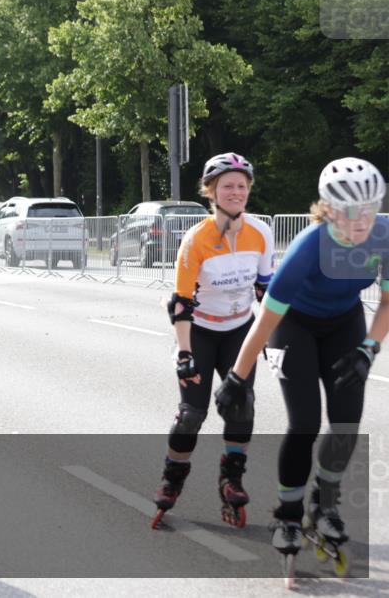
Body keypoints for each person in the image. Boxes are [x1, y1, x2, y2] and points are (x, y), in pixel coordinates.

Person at [221, 158, 387, 574]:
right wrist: (237, 377)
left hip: (345, 323)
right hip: (294, 325)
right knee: (305, 423)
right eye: (352, 212)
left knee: (347, 420)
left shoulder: (383, 236)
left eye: (372, 208)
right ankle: (288, 513)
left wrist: (369, 347)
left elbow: (387, 302)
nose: (362, 220)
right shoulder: (308, 249)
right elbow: (265, 320)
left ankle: (324, 502)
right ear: (329, 210)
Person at [152, 153, 274, 529]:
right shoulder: (196, 239)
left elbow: (266, 292)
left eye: (241, 186)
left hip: (239, 330)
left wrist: (273, 336)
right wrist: (184, 353)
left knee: (242, 405)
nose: (236, 192)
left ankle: (231, 480)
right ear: (211, 192)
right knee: (191, 416)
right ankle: (172, 480)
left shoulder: (261, 233)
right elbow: (181, 303)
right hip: (200, 332)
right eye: (227, 186)